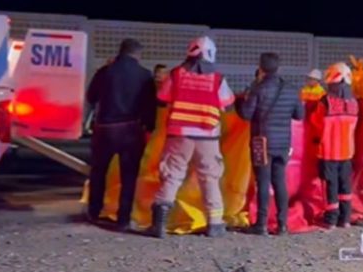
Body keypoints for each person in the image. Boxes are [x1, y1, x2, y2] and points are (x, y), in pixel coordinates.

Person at [148, 37, 235, 238]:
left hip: (179, 135)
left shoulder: (176, 74)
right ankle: (214, 224)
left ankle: (159, 225)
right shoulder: (217, 78)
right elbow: (228, 105)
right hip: (208, 137)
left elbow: (161, 99)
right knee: (210, 178)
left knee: (172, 175)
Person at [86, 39, 156, 230]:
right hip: (130, 130)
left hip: (104, 129)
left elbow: (91, 97)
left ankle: (94, 212)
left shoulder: (105, 71)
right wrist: (149, 127)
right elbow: (149, 106)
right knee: (129, 176)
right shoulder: (144, 75)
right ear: (138, 54)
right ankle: (123, 218)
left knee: (98, 172)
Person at [237, 52, 304, 235]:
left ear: (261, 67)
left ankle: (262, 224)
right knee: (280, 182)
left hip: (262, 144)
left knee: (263, 182)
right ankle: (282, 224)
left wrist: (243, 100)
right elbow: (300, 115)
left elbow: (246, 114)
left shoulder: (258, 88)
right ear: (278, 67)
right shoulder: (291, 89)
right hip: (283, 144)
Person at [310, 62, 359, 229]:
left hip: (328, 151)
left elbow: (316, 123)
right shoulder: (354, 102)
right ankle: (345, 219)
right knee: (345, 186)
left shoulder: (326, 101)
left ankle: (330, 220)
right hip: (347, 152)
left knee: (330, 186)